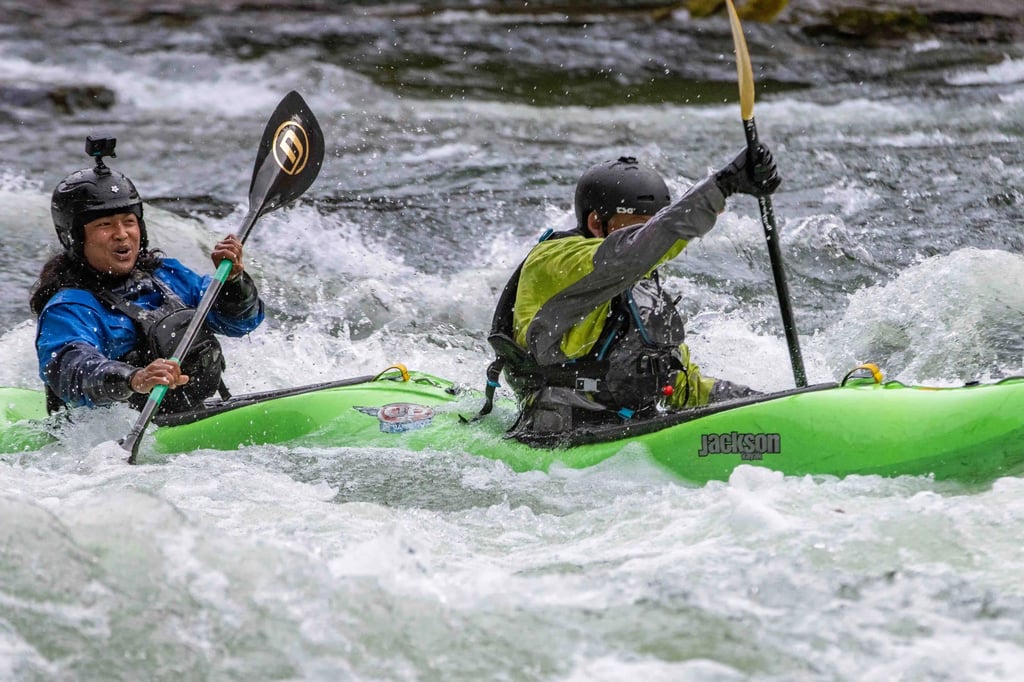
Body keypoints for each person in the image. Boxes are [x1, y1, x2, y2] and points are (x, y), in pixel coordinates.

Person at [482, 145, 781, 441]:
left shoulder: (637, 283)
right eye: (641, 229)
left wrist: (765, 404)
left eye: (655, 223)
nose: (655, 243)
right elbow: (637, 249)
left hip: (624, 431)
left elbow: (679, 386)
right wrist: (721, 186)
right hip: (554, 437)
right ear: (596, 223)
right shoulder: (557, 261)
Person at [29, 136, 265, 415]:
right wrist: (133, 378)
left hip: (187, 414)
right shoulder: (70, 307)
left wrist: (233, 283)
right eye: (105, 225)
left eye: (129, 222)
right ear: (75, 238)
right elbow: (71, 369)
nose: (121, 234)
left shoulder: (168, 276)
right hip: (104, 437)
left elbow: (240, 323)